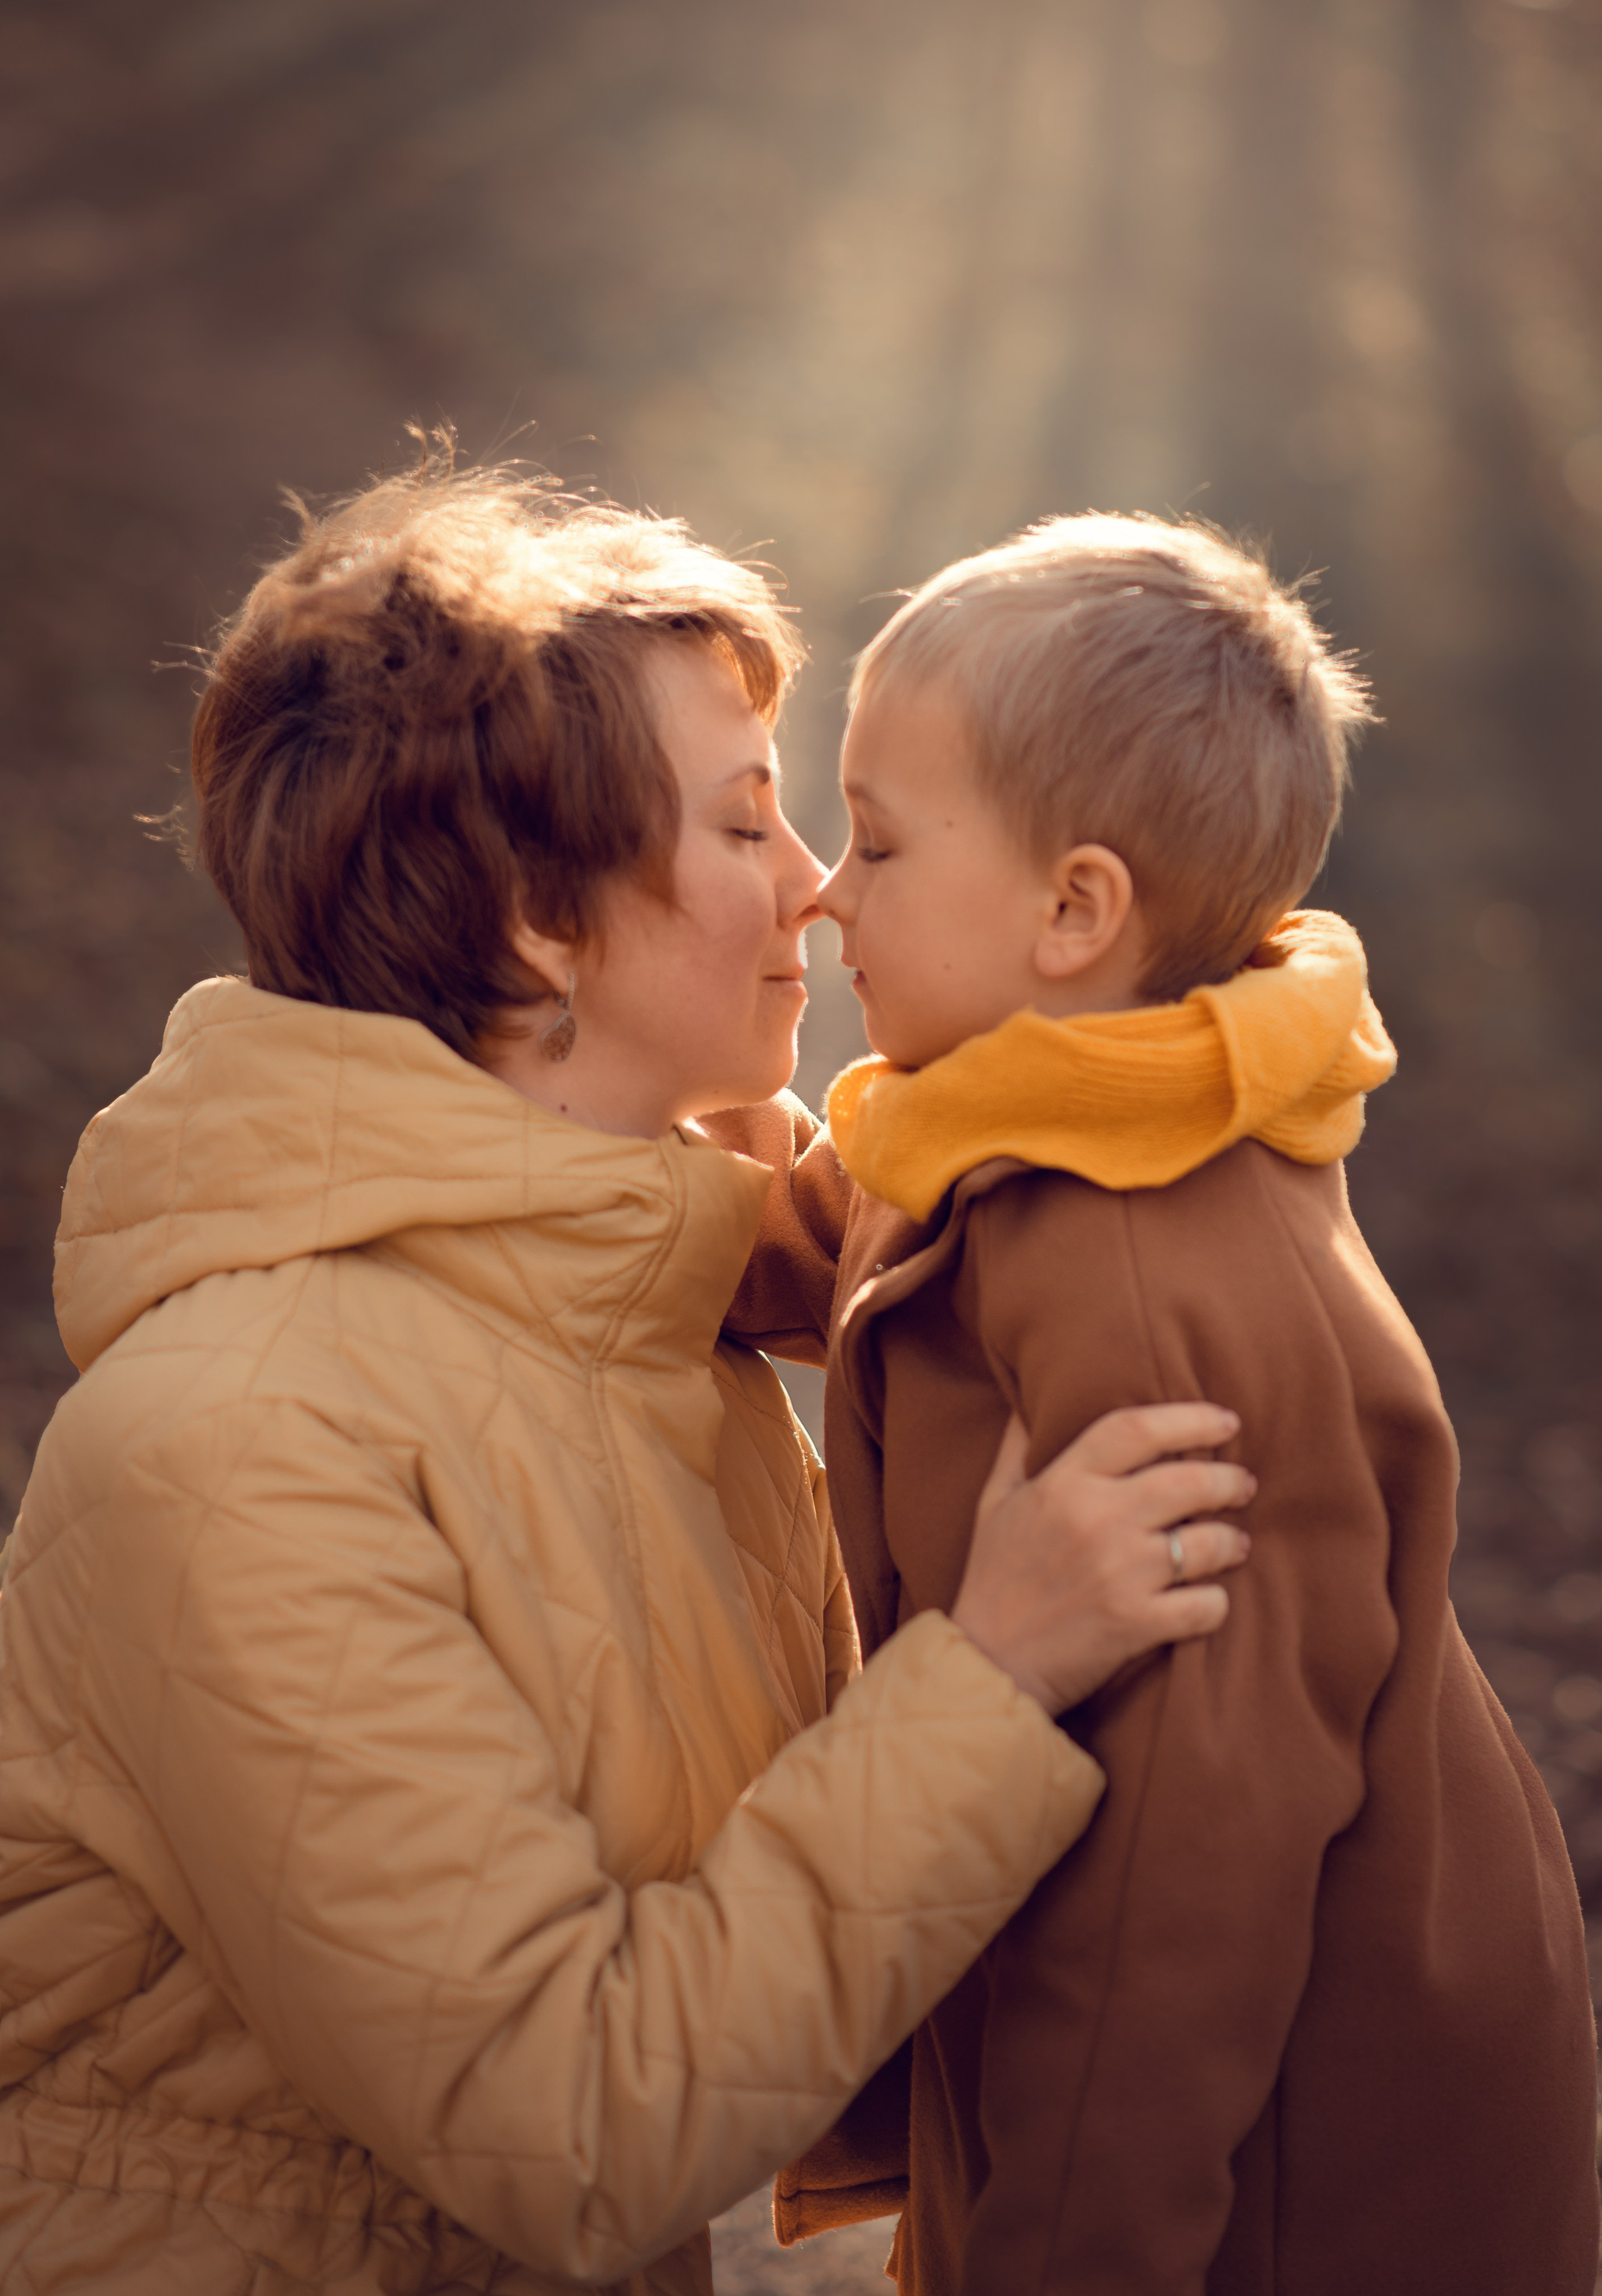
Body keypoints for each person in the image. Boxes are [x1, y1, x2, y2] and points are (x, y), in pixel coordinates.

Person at [0, 464, 1257, 2296]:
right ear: (536, 914)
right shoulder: (234, 1442)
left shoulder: (636, 1317)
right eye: (750, 824)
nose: (818, 892)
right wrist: (998, 1671)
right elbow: (577, 2127)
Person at [719, 516, 1599, 2295]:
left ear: (1076, 910)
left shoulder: (1148, 1308)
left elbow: (1173, 1916)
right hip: (1156, 2014)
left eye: (876, 842)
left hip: (1305, 2157)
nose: (823, 891)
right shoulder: (1017, 1109)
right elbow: (791, 1237)